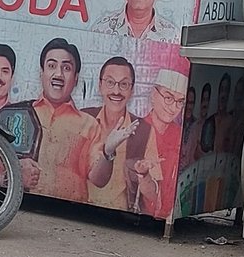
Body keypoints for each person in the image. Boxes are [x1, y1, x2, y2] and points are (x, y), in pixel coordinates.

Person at [89, 67, 189, 218]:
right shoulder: (138, 129)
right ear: (153, 95)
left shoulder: (180, 135)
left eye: (180, 102)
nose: (173, 107)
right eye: (168, 98)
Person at [14, 38, 100, 203]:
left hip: (71, 215)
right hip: (23, 206)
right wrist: (16, 167)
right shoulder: (20, 113)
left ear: (75, 78)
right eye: (52, 66)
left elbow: (98, 178)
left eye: (66, 68)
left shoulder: (90, 125)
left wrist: (109, 153)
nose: (58, 74)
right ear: (42, 73)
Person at [83, 56, 138, 209]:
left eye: (124, 84)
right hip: (80, 204)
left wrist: (143, 174)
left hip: (120, 212)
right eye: (110, 82)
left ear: (132, 90)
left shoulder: (143, 130)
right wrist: (108, 150)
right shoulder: (83, 119)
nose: (116, 91)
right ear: (100, 85)